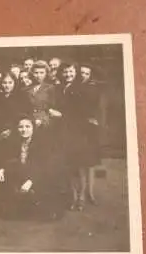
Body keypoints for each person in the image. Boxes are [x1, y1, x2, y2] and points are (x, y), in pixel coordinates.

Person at [3, 115, 65, 220]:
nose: (24, 130)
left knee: (45, 213)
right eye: (21, 127)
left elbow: (42, 166)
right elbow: (10, 161)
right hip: (22, 176)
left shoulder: (42, 144)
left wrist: (30, 181)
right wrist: (2, 169)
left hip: (40, 178)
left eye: (27, 127)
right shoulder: (15, 142)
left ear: (33, 128)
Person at [56, 61, 94, 211]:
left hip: (78, 132)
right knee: (69, 166)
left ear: (76, 72)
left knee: (80, 166)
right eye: (65, 72)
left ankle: (82, 197)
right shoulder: (60, 88)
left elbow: (82, 113)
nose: (68, 74)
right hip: (63, 132)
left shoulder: (81, 89)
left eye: (71, 71)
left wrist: (62, 115)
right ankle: (73, 197)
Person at [80, 63, 102, 205]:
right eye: (82, 73)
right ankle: (81, 193)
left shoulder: (94, 89)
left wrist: (95, 120)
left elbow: (98, 108)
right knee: (81, 161)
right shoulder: (74, 88)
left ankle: (91, 192)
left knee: (91, 163)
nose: (84, 76)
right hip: (78, 128)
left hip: (90, 129)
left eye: (87, 74)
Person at [0, 72, 32, 140]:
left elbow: (25, 115)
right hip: (0, 131)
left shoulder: (22, 96)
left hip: (16, 131)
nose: (7, 85)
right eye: (4, 83)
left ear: (14, 83)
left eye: (10, 83)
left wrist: (11, 130)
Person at [25, 60, 61, 128]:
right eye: (36, 73)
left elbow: (52, 109)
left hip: (45, 123)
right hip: (29, 122)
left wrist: (43, 120)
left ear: (46, 73)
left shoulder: (51, 88)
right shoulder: (26, 89)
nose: (38, 75)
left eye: (42, 73)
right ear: (32, 73)